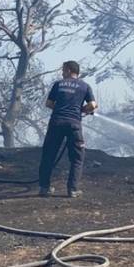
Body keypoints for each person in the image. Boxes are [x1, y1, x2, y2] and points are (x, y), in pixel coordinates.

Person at [38, 60, 98, 198]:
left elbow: (48, 103)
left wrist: (60, 109)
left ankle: (44, 188)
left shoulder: (58, 84)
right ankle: (73, 190)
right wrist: (82, 110)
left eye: (63, 70)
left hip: (56, 123)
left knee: (48, 155)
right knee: (77, 158)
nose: (62, 73)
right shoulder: (85, 86)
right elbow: (93, 105)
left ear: (70, 70)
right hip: (74, 125)